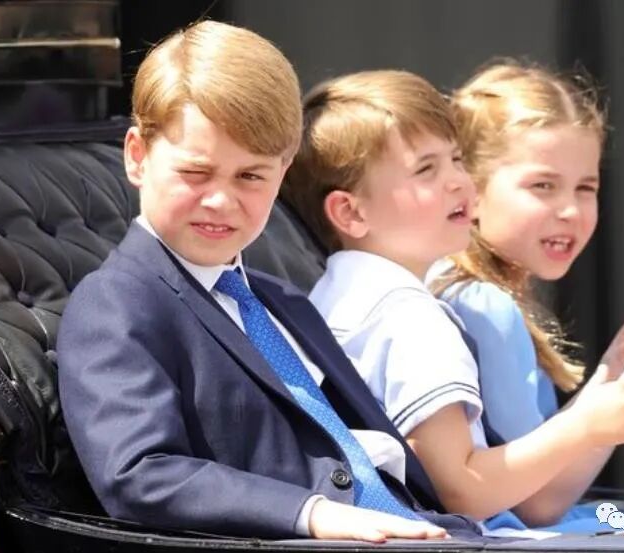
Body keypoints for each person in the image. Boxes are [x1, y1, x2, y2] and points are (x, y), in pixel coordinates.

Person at [56, 21, 479, 542]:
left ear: (282, 172)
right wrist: (313, 514)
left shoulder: (282, 300)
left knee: (582, 532)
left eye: (251, 176)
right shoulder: (117, 302)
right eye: (195, 173)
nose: (221, 200)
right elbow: (139, 472)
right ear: (138, 156)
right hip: (311, 539)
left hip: (432, 531)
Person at [282, 68, 624, 534]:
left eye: (456, 160)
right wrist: (601, 410)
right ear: (350, 211)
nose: (459, 182)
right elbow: (470, 492)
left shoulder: (329, 297)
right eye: (426, 169)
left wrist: (615, 374)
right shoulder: (415, 318)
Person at [425, 61, 624, 531]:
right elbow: (538, 503)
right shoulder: (482, 304)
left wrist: (617, 366)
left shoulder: (467, 288)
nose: (571, 210)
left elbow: (544, 460)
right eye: (543, 186)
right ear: (470, 188)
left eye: (585, 187)